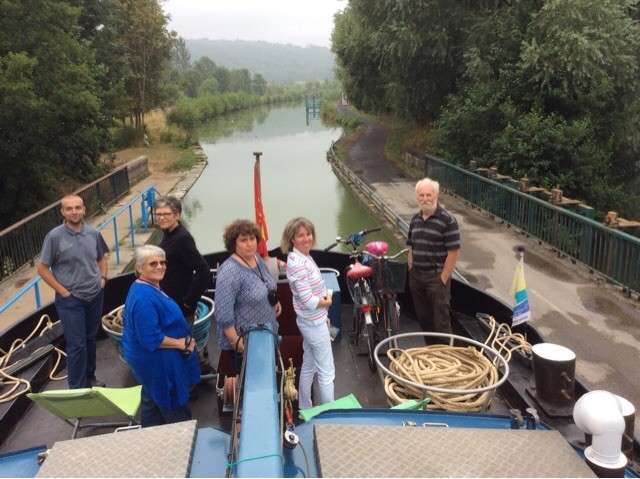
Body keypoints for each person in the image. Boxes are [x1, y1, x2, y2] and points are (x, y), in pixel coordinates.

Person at [122, 245, 200, 427]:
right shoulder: (144, 300)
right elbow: (151, 339)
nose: (160, 266)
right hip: (159, 367)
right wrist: (181, 343)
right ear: (139, 268)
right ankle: (185, 443)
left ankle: (149, 436)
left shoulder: (148, 287)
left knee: (152, 404)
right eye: (153, 263)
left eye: (162, 262)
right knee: (175, 410)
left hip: (152, 367)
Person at [38, 194, 109, 389]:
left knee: (91, 338)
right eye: (69, 209)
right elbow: (42, 269)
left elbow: (102, 258)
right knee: (76, 344)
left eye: (78, 207)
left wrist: (103, 279)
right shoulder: (54, 237)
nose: (74, 212)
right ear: (62, 212)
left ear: (84, 209)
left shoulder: (93, 233)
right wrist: (63, 291)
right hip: (71, 299)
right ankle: (77, 388)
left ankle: (90, 378)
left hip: (95, 294)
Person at [154, 195, 213, 374]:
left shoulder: (181, 238)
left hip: (180, 304)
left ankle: (196, 377)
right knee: (181, 342)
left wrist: (189, 301)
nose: (162, 218)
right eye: (159, 214)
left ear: (177, 215)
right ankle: (198, 371)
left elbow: (203, 270)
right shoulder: (168, 236)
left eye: (166, 214)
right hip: (170, 301)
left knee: (183, 343)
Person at [281, 217, 335, 410]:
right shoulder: (298, 263)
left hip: (311, 322)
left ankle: (305, 407)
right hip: (313, 324)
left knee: (309, 366)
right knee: (327, 372)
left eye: (308, 234)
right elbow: (310, 301)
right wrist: (327, 302)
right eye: (300, 235)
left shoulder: (303, 257)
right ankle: (329, 414)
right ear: (292, 239)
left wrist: (324, 315)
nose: (306, 239)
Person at [215, 219, 281, 374]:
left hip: (264, 332)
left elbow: (267, 283)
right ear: (234, 244)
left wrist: (274, 301)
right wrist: (235, 342)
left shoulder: (256, 258)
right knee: (252, 382)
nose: (250, 244)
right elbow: (223, 314)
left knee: (267, 373)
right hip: (245, 340)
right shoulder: (229, 271)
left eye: (252, 239)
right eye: (243, 240)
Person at [407, 178, 461, 344]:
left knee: (441, 322)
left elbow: (453, 253)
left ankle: (446, 359)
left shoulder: (447, 220)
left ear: (436, 196)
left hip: (436, 279)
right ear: (417, 197)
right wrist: (411, 270)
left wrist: (443, 278)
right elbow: (411, 247)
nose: (425, 198)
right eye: (421, 195)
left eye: (428, 195)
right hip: (417, 278)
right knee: (424, 318)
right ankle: (431, 352)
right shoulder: (415, 219)